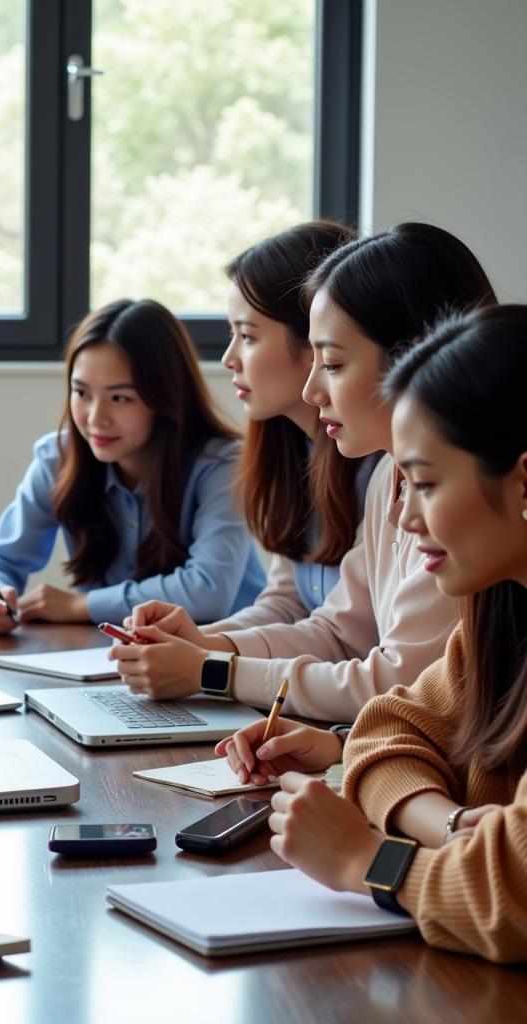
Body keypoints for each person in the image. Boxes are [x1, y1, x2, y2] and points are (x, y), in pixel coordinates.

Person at [219, 305, 527, 963]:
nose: (407, 519)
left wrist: (367, 859)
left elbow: (515, 899)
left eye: (425, 484)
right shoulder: (500, 611)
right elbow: (384, 730)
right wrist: (452, 828)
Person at [110, 223, 496, 722]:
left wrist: (212, 668)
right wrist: (208, 645)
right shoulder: (387, 477)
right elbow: (339, 630)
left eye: (331, 364)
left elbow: (400, 683)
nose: (314, 391)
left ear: (414, 359)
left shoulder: (460, 499)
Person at [0, 298, 266, 633]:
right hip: (110, 661)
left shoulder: (222, 464)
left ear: (165, 397)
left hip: (222, 659)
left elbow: (208, 590)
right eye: (81, 392)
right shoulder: (57, 459)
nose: (95, 418)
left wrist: (79, 605)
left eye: (120, 398)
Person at [209, 220, 379, 633]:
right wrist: (189, 640)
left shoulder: (380, 466)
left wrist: (205, 658)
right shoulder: (295, 449)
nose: (229, 359)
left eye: (247, 336)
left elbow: (342, 637)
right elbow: (286, 603)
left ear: (314, 342)